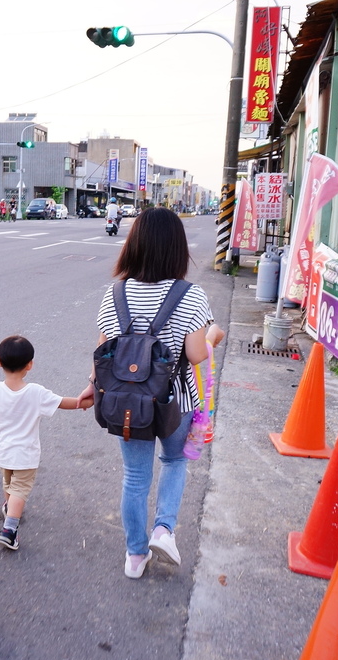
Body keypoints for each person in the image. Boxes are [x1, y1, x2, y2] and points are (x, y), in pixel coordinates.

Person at [78, 207, 224, 580]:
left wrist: (92, 387)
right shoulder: (191, 296)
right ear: (177, 249)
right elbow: (195, 354)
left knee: (135, 477)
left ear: (134, 245)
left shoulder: (115, 294)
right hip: (177, 403)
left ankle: (134, 555)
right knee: (174, 462)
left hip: (127, 403)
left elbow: (104, 351)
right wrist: (212, 336)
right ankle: (163, 530)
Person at [0, 335, 80, 550]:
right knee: (20, 488)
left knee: (9, 482)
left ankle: (9, 506)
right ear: (30, 365)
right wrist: (86, 401)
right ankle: (10, 529)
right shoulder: (35, 392)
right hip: (26, 455)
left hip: (3, 452)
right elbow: (63, 403)